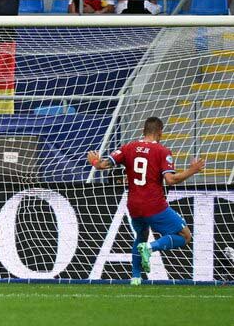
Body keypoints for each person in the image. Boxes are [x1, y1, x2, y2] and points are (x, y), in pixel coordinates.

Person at [88, 117, 205, 286]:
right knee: (185, 236)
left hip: (134, 205)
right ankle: (151, 248)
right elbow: (171, 180)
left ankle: (136, 277)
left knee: (140, 236)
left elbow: (101, 165)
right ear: (160, 132)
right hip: (154, 205)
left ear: (143, 131)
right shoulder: (162, 151)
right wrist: (192, 170)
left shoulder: (128, 147)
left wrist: (93, 160)